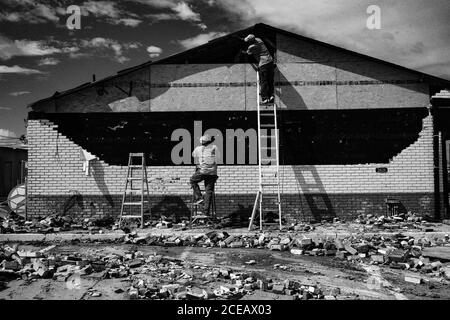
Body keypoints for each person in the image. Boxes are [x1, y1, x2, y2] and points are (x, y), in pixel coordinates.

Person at [190, 134, 220, 216]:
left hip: (203, 171)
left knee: (192, 180)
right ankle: (206, 212)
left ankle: (199, 198)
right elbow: (218, 158)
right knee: (209, 192)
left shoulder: (198, 149)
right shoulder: (215, 147)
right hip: (213, 173)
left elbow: (193, 155)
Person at [242, 34, 274, 104]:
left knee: (263, 81)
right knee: (270, 80)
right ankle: (271, 96)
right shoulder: (259, 39)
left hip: (263, 63)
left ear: (250, 41)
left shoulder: (251, 47)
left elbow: (248, 53)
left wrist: (244, 52)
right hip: (270, 61)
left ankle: (265, 99)